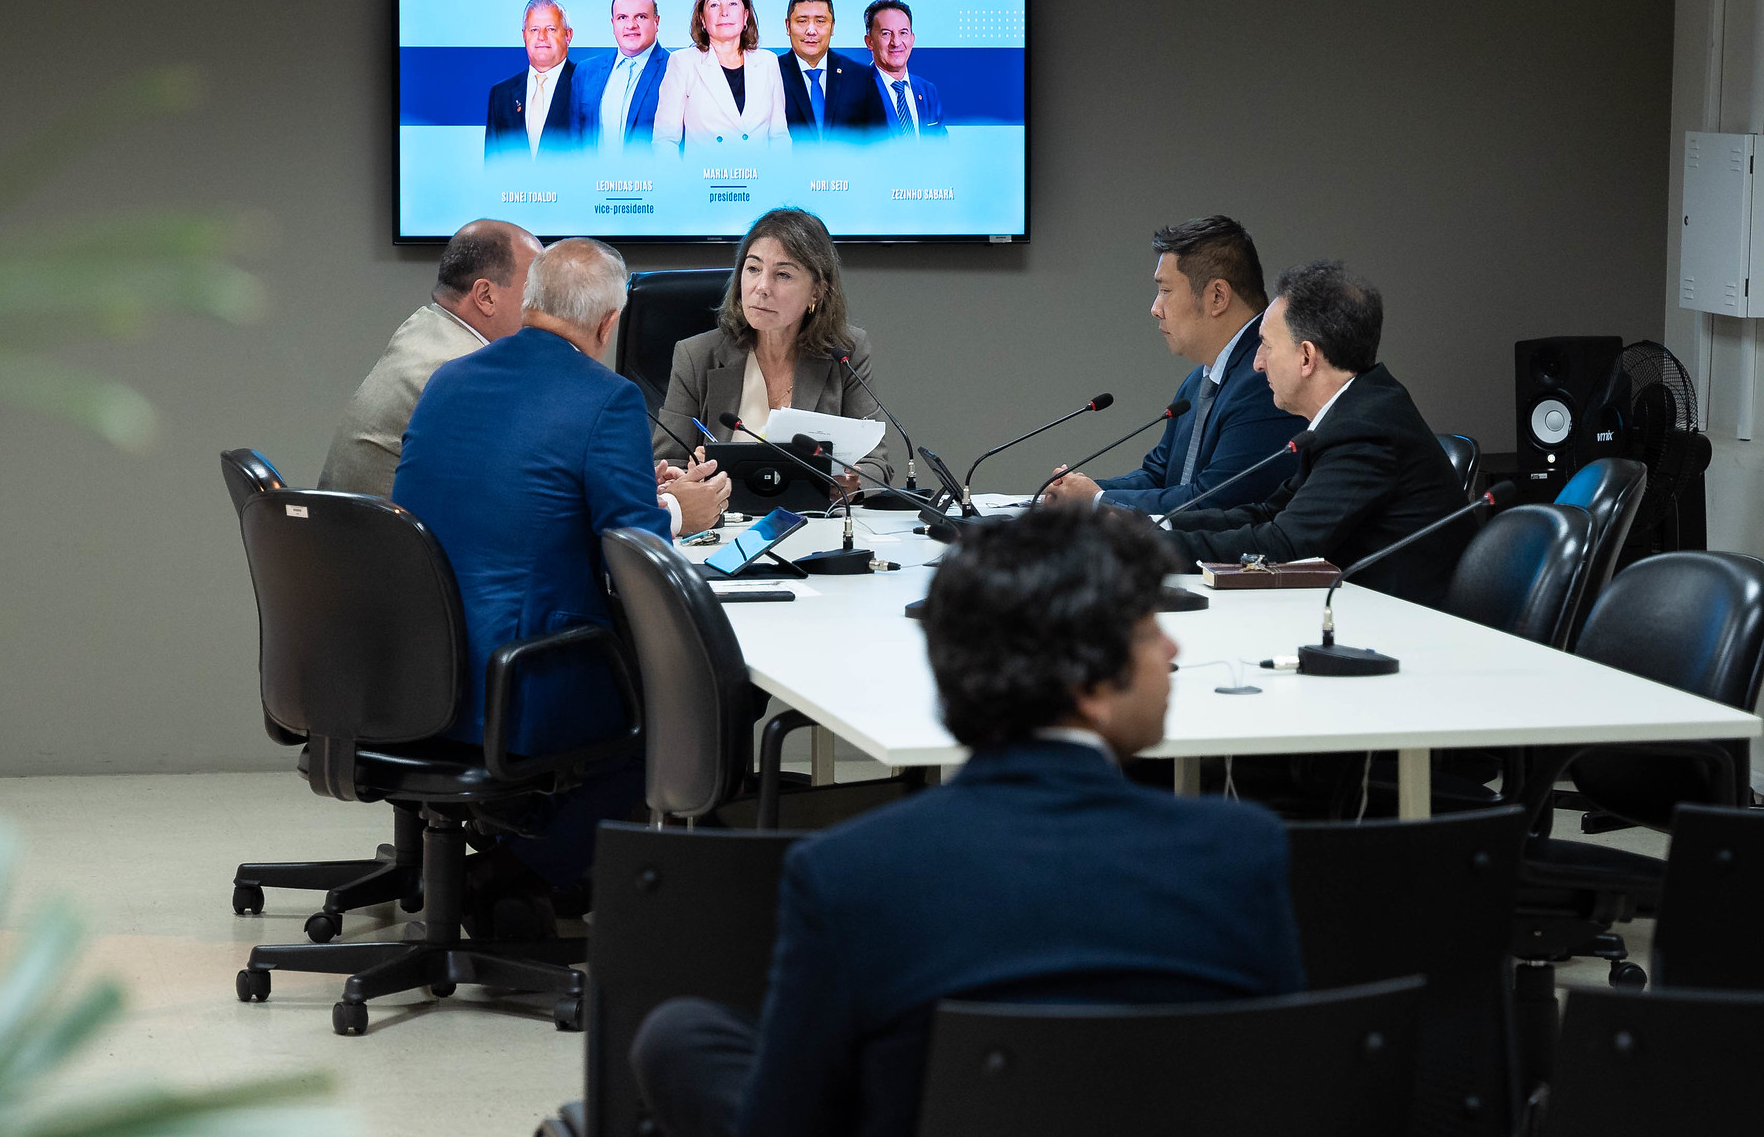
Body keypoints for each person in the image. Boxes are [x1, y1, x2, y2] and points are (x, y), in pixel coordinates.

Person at [629, 504, 1306, 1137]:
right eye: (1150, 628)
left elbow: (786, 1121)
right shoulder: (1238, 850)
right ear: (1091, 686)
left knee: (682, 1035)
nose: (1174, 649)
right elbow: (1279, 1091)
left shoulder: (849, 873)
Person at [390, 239, 731, 920]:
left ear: (534, 301)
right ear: (609, 325)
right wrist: (677, 510)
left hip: (419, 673)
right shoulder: (607, 399)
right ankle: (522, 872)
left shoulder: (448, 380)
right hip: (518, 685)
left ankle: (527, 863)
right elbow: (632, 556)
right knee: (674, 711)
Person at [1151, 260, 1474, 606]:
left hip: (1411, 629)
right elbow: (1268, 513)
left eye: (1266, 346)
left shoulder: (1366, 428)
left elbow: (1287, 545)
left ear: (1306, 357)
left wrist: (1149, 548)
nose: (1257, 363)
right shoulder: (1353, 411)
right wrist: (1161, 525)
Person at [1044, 215, 1300, 513]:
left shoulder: (1265, 381)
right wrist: (1079, 489)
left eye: (1165, 290)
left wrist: (1097, 501)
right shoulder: (1198, 382)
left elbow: (1215, 500)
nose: (1155, 309)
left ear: (1217, 297)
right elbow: (1158, 475)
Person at [654, 208, 894, 490]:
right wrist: (690, 477)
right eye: (753, 269)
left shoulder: (845, 354)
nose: (762, 287)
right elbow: (665, 466)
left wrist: (847, 481)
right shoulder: (696, 355)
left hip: (817, 523)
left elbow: (877, 465)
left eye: (782, 274)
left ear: (816, 292)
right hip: (723, 525)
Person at [317, 220, 540, 497]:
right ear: (485, 296)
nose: (543, 308)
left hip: (345, 531)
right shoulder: (467, 372)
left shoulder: (424, 326)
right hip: (387, 538)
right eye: (534, 292)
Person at [651, 0, 788, 157]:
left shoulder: (768, 62)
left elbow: (779, 138)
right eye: (714, 4)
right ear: (702, 18)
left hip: (759, 180)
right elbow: (665, 140)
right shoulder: (683, 62)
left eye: (733, 3)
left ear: (746, 15)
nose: (724, 12)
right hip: (704, 181)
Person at [775, 0, 889, 142]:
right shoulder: (770, 73)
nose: (811, 30)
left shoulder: (861, 77)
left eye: (820, 21)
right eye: (802, 21)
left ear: (832, 26)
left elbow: (879, 142)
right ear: (788, 26)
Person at [569, 0, 670, 153]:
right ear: (613, 23)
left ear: (656, 22)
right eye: (622, 17)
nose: (631, 25)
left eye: (641, 16)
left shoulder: (676, 69)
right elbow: (574, 143)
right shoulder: (585, 72)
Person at [484, 0, 578, 159]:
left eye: (551, 29)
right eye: (534, 29)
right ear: (524, 35)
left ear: (568, 35)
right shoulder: (501, 94)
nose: (541, 37)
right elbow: (493, 167)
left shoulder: (586, 85)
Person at [863, 0, 945, 138]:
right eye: (886, 33)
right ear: (869, 42)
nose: (896, 42)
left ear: (912, 39)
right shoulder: (854, 93)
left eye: (903, 33)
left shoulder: (927, 90)